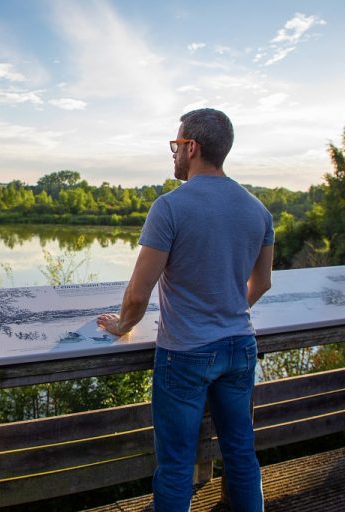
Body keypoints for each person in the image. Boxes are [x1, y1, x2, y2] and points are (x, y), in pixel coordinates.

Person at [97, 108, 274, 511]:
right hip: (240, 347)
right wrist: (226, 309)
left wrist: (120, 325)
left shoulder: (170, 208)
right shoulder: (257, 210)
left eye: (176, 145)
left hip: (186, 353)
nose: (174, 154)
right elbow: (261, 283)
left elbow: (139, 294)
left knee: (176, 465)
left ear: (192, 147)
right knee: (241, 454)